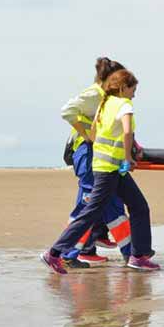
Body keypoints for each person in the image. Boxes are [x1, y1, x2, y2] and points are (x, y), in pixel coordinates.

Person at [41, 69, 159, 274]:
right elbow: (128, 131)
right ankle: (54, 253)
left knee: (139, 206)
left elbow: (94, 131)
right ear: (123, 87)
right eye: (133, 89)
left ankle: (139, 256)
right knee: (91, 212)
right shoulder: (124, 105)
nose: (134, 94)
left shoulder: (104, 105)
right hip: (110, 170)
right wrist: (129, 157)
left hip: (107, 167)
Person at [58, 57, 132, 267]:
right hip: (88, 153)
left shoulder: (107, 97)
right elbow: (67, 111)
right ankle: (68, 252)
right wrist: (87, 135)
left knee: (110, 205)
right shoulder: (94, 94)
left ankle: (130, 252)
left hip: (98, 155)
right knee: (90, 205)